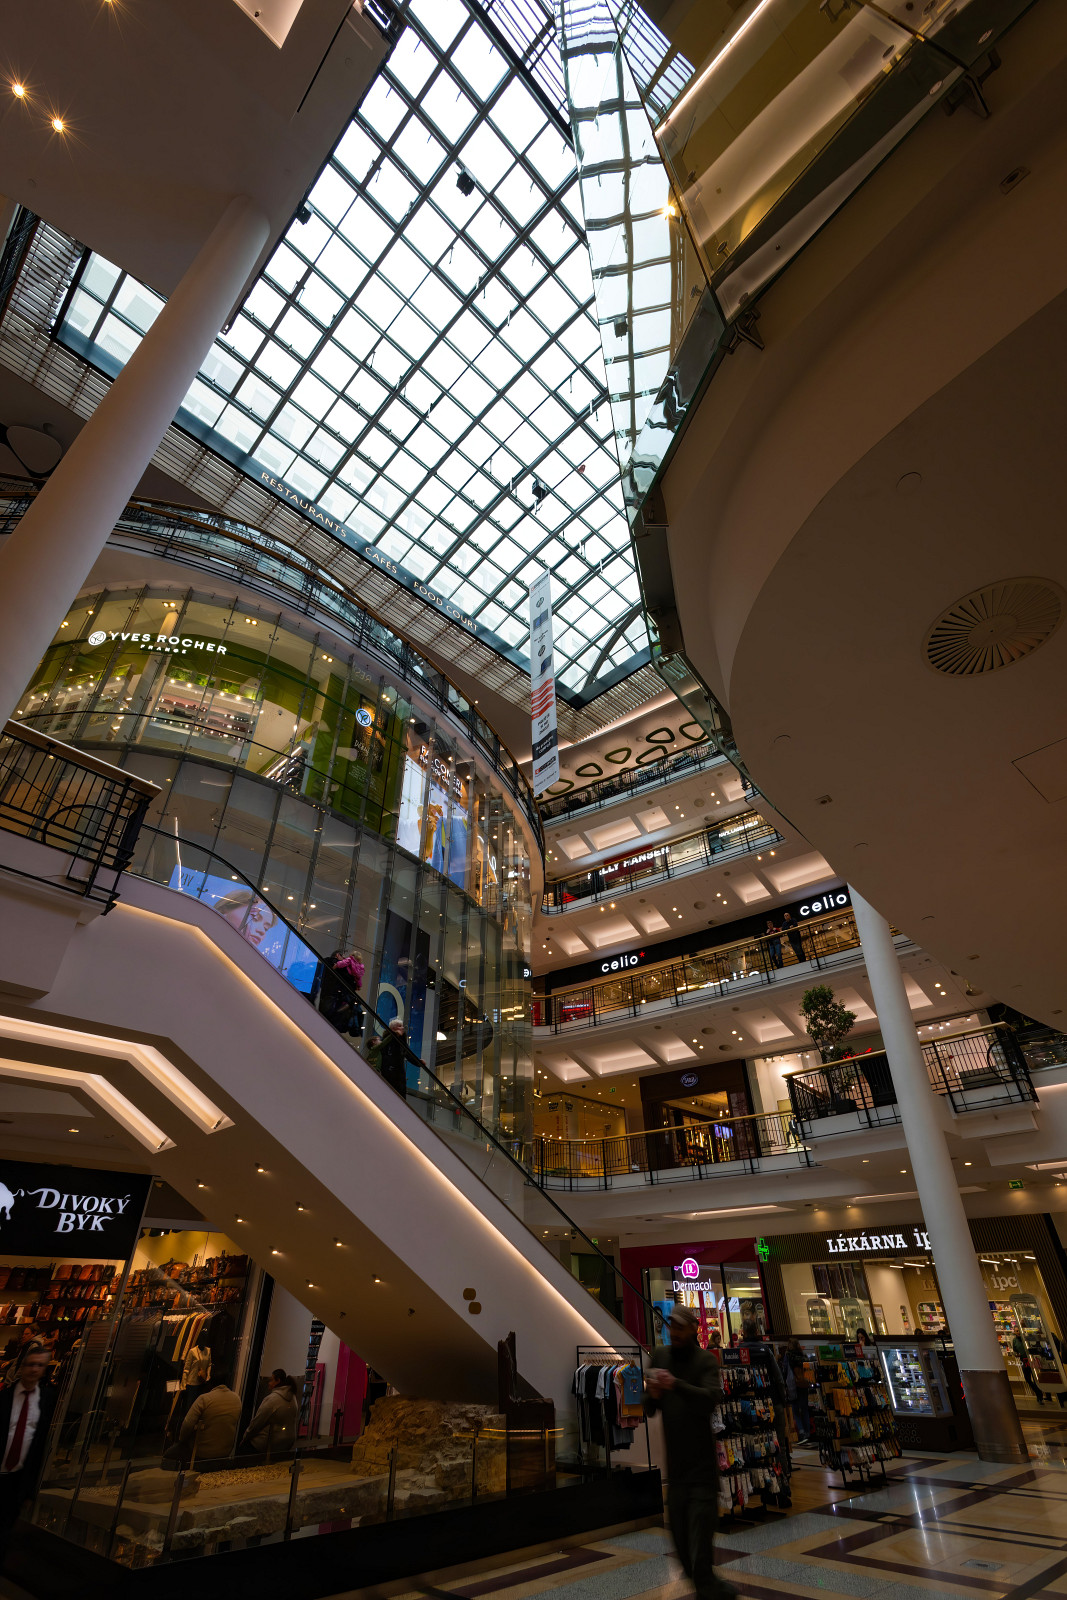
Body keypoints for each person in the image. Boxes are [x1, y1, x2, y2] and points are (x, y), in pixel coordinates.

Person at [645, 1305, 736, 1600]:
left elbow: (709, 1400)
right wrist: (653, 1394)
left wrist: (676, 1384)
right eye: (671, 1326)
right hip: (676, 1472)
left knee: (700, 1548)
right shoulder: (660, 1356)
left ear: (693, 1329)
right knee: (682, 1548)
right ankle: (716, 1590)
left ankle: (710, 1590)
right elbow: (649, 1408)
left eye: (680, 1327)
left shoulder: (705, 1361)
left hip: (702, 1472)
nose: (674, 1332)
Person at [0, 1344, 56, 1542]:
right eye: (31, 1364)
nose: (34, 1369)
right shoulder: (4, 1398)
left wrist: (29, 1491)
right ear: (22, 1367)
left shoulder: (47, 1400)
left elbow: (39, 1446)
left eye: (40, 1365)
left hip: (17, 1480)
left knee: (4, 1531)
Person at [164, 1378, 242, 1465]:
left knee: (168, 1454)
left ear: (210, 1384)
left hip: (202, 1452)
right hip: (225, 1451)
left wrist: (182, 1440)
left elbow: (187, 1425)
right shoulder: (237, 1399)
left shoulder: (205, 1399)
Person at [241, 1370, 300, 1453]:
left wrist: (245, 1437)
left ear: (278, 1380)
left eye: (271, 1380)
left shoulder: (272, 1399)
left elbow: (257, 1423)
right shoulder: (293, 1397)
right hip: (287, 1442)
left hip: (269, 1443)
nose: (269, 1383)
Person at [379, 1018, 414, 1099]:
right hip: (389, 1072)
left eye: (402, 1026)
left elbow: (407, 1053)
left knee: (400, 1095)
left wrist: (418, 1062)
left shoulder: (401, 1040)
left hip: (399, 1073)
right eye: (399, 1026)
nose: (402, 1028)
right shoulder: (387, 1040)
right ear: (393, 1029)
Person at [784, 1338, 810, 1441]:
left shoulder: (788, 1356)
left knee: (795, 1410)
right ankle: (808, 1432)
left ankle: (802, 1432)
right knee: (804, 1409)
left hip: (793, 1385)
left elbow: (785, 1370)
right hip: (804, 1384)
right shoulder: (803, 1356)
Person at [1012, 1332, 1046, 1404]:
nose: (1018, 1332)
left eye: (1018, 1330)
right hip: (1024, 1360)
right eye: (1016, 1331)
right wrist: (1017, 1354)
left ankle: (1040, 1396)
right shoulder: (1015, 1340)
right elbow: (1015, 1350)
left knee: (1036, 1377)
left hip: (1032, 1359)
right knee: (1027, 1378)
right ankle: (1038, 1392)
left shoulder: (1027, 1338)